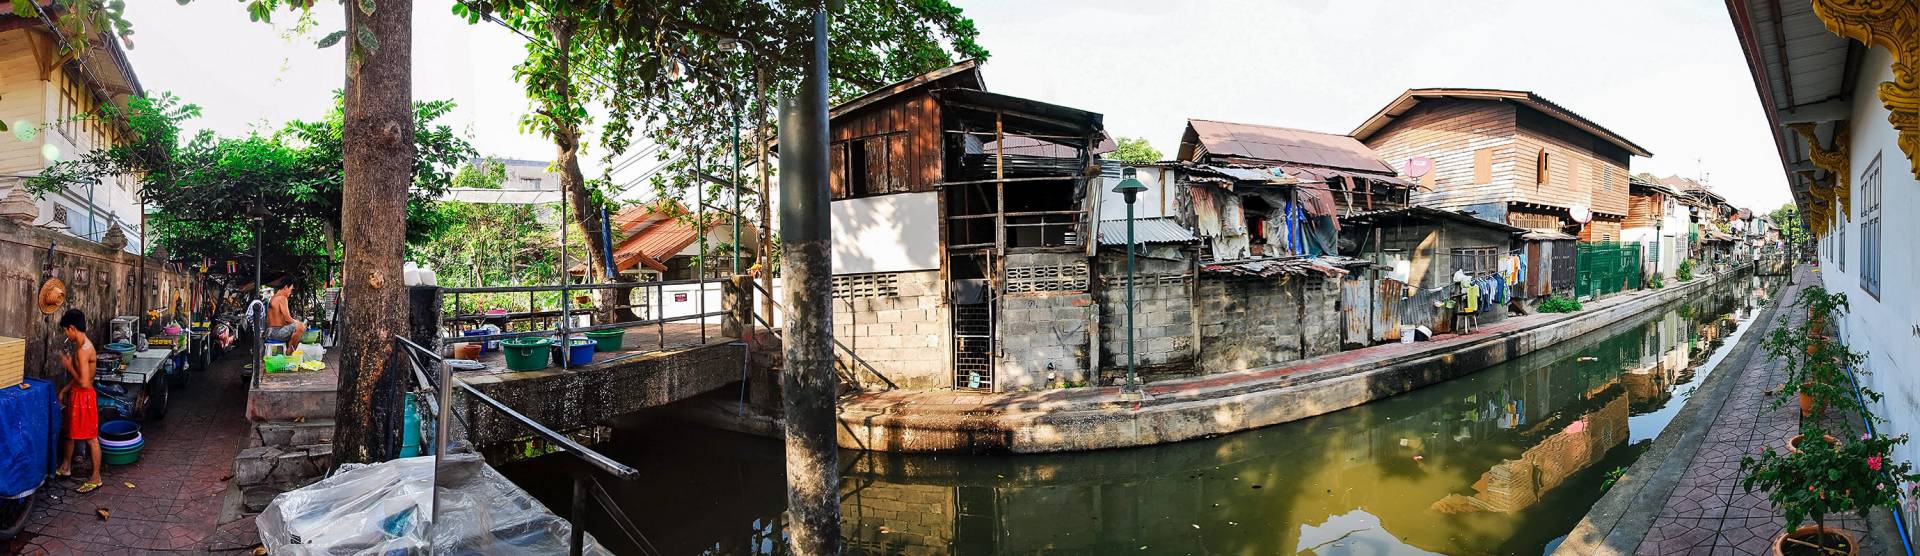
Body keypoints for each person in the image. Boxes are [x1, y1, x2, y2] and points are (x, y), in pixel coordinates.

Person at [54, 309, 102, 493]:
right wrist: (65, 389)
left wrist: (68, 366)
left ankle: (96, 477)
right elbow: (80, 378)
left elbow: (84, 381)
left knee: (91, 437)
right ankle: (66, 467)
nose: (66, 335)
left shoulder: (84, 350)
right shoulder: (81, 346)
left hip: (85, 396)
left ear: (72, 328)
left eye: (66, 331)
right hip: (77, 394)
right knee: (70, 433)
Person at [266, 278, 307, 354]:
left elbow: (283, 320)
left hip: (270, 332)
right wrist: (297, 323)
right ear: (285, 287)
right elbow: (287, 319)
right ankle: (290, 353)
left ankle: (289, 349)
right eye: (290, 289)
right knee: (301, 327)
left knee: (297, 327)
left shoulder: (274, 297)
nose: (290, 292)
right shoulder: (282, 298)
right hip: (276, 332)